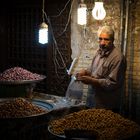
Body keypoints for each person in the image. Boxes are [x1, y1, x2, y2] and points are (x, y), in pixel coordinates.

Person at [76, 26, 126, 112]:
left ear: (112, 40)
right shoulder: (99, 52)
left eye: (106, 39)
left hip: (107, 105)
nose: (102, 43)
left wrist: (92, 81)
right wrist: (84, 71)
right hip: (93, 101)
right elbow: (92, 69)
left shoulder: (118, 58)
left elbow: (112, 83)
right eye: (100, 39)